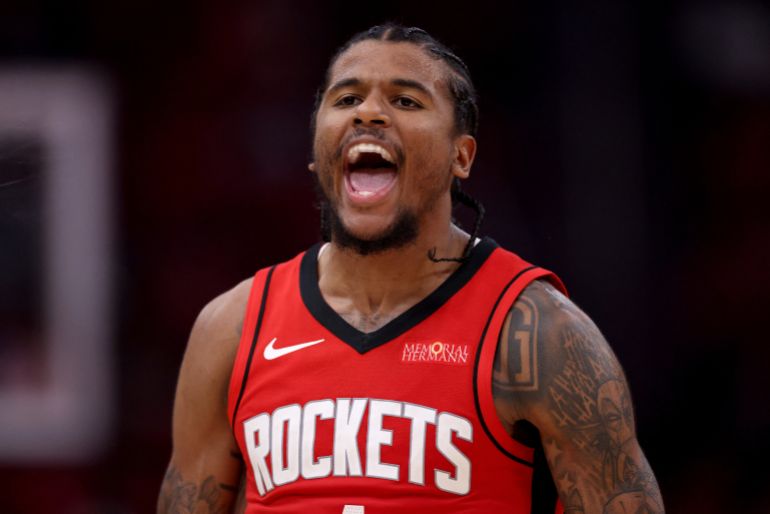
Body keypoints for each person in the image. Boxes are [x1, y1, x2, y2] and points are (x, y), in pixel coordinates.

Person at [157, 24, 664, 514]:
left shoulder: (538, 334)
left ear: (460, 156)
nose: (369, 113)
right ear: (316, 151)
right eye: (347, 99)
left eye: (406, 101)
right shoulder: (232, 327)